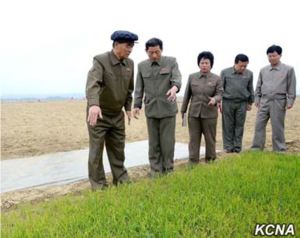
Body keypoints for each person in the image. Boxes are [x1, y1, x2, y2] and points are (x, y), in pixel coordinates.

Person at [85, 30, 138, 190]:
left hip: (117, 115)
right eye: (127, 46)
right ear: (116, 44)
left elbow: (129, 90)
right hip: (99, 114)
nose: (130, 49)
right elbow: (92, 84)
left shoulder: (130, 64)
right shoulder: (100, 60)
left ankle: (121, 180)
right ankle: (99, 185)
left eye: (132, 47)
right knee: (96, 151)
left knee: (118, 149)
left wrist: (128, 108)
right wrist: (94, 104)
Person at [133, 38, 182, 176]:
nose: (154, 55)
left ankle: (168, 169)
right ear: (146, 51)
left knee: (167, 142)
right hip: (151, 109)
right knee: (153, 143)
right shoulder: (142, 66)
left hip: (168, 108)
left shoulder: (171, 62)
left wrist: (174, 88)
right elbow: (139, 87)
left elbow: (177, 79)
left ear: (162, 49)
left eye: (157, 52)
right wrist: (137, 104)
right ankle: (155, 171)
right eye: (151, 53)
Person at [251, 45, 296, 152]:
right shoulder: (263, 70)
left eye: (274, 56)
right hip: (264, 101)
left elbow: (291, 87)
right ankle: (256, 148)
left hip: (279, 101)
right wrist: (257, 99)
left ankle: (279, 149)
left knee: (277, 127)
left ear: (280, 55)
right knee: (259, 125)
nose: (271, 58)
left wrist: (290, 101)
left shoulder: (288, 69)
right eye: (269, 56)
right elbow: (258, 86)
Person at [181, 51, 222, 163]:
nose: (204, 65)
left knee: (210, 139)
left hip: (209, 115)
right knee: (193, 139)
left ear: (211, 64)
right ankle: (193, 161)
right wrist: (183, 111)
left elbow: (220, 94)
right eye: (202, 63)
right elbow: (186, 95)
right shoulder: (192, 77)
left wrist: (215, 99)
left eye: (206, 63)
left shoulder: (217, 79)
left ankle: (210, 160)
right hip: (194, 114)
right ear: (198, 64)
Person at [220, 54, 254, 153]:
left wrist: (250, 102)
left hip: (242, 103)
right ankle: (228, 147)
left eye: (245, 66)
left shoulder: (249, 74)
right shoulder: (225, 72)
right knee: (227, 125)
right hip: (227, 102)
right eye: (241, 66)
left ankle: (237, 147)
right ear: (235, 63)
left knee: (239, 125)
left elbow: (250, 88)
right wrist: (219, 102)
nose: (243, 68)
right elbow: (220, 88)